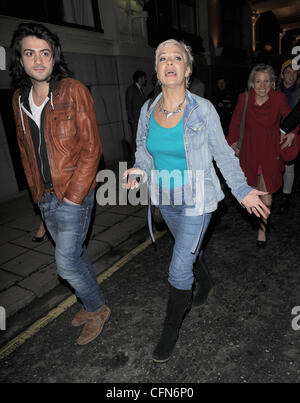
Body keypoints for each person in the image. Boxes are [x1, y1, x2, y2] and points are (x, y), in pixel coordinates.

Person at [123, 39, 270, 363]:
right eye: (163, 58)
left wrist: (242, 189)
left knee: (178, 269)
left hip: (197, 199)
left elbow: (222, 154)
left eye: (177, 57)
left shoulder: (202, 109)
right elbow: (144, 151)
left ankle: (169, 332)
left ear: (187, 69)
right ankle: (206, 281)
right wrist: (138, 168)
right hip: (165, 197)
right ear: (157, 70)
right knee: (189, 251)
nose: (169, 62)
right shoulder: (148, 109)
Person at [10, 22, 110, 346]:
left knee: (65, 265)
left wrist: (74, 198)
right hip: (46, 198)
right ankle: (90, 300)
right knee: (76, 256)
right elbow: (26, 152)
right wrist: (37, 198)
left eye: (45, 53)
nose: (38, 61)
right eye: (30, 53)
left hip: (73, 193)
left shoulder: (73, 90)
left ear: (54, 57)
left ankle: (97, 309)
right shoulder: (18, 100)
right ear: (20, 59)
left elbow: (92, 149)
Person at [227, 64, 296, 247]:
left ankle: (262, 229)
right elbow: (235, 123)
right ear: (252, 83)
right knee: (251, 188)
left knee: (265, 189)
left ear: (272, 83)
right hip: (249, 150)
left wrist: (292, 133)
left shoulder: (279, 99)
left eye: (266, 81)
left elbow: (291, 120)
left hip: (270, 151)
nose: (262, 86)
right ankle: (258, 215)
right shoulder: (244, 99)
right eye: (258, 81)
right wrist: (233, 142)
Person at [278, 60, 300, 210]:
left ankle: (286, 195)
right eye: (288, 72)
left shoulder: (299, 92)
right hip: (274, 132)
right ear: (282, 74)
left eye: (294, 73)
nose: (291, 76)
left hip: (294, 133)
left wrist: (294, 133)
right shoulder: (273, 90)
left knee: (289, 164)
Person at [125, 70, 147, 165]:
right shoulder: (131, 89)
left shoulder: (140, 89)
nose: (145, 79)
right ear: (140, 78)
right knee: (134, 141)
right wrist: (132, 119)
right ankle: (133, 161)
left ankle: (140, 159)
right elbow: (128, 105)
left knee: (140, 140)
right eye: (144, 77)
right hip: (135, 120)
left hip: (140, 120)